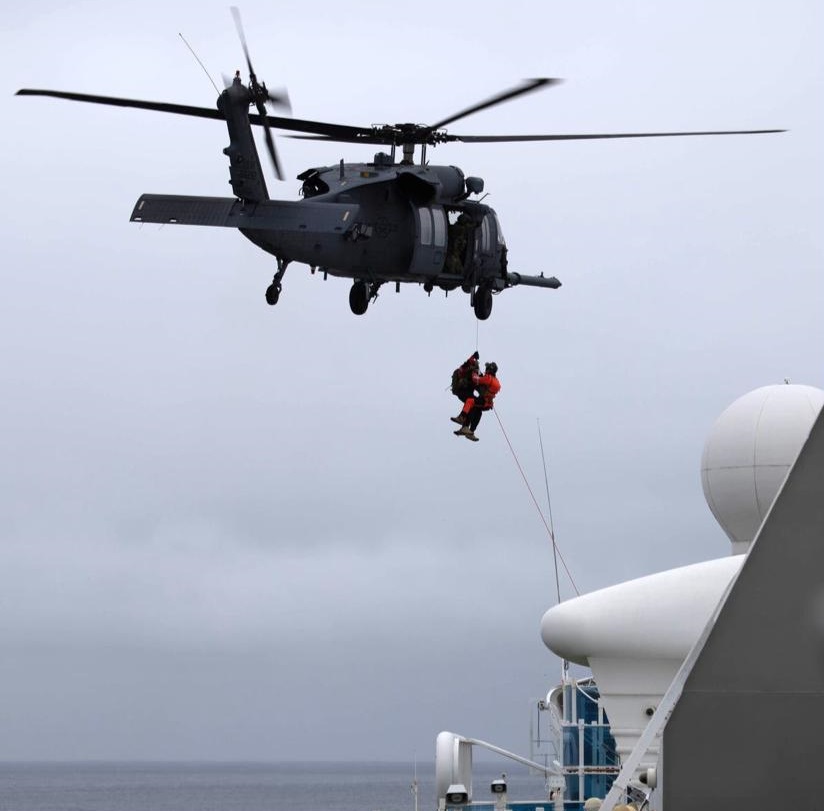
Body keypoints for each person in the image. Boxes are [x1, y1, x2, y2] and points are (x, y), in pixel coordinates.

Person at [453, 361, 500, 442]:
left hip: (484, 401)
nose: (486, 370)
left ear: (489, 370)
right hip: (488, 404)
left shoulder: (488, 378)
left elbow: (475, 379)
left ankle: (462, 417)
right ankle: (470, 431)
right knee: (477, 411)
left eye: (487, 369)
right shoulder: (496, 381)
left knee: (470, 401)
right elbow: (486, 386)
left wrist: (474, 371)